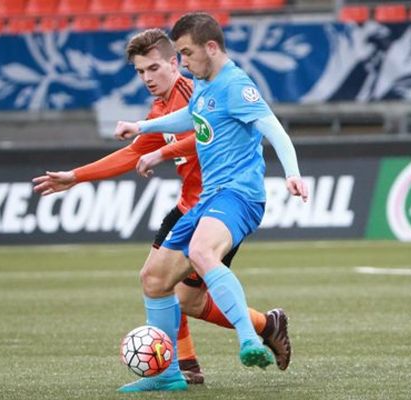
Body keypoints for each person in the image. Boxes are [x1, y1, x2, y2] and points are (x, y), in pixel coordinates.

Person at [32, 29, 291, 385]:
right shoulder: (160, 108)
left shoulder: (194, 90)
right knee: (163, 285)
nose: (147, 78)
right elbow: (135, 151)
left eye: (154, 68)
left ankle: (249, 332)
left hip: (219, 205)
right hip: (189, 205)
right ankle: (184, 366)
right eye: (140, 72)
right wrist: (76, 176)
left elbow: (203, 133)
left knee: (184, 296)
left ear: (175, 63)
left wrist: (163, 151)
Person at [114, 13, 308, 393]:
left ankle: (250, 340)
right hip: (208, 198)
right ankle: (167, 376)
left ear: (211, 48)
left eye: (186, 53)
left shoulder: (237, 85)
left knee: (203, 252)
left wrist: (293, 173)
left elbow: (274, 129)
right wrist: (143, 127)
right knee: (154, 280)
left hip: (239, 196)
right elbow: (191, 115)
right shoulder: (205, 84)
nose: (182, 62)